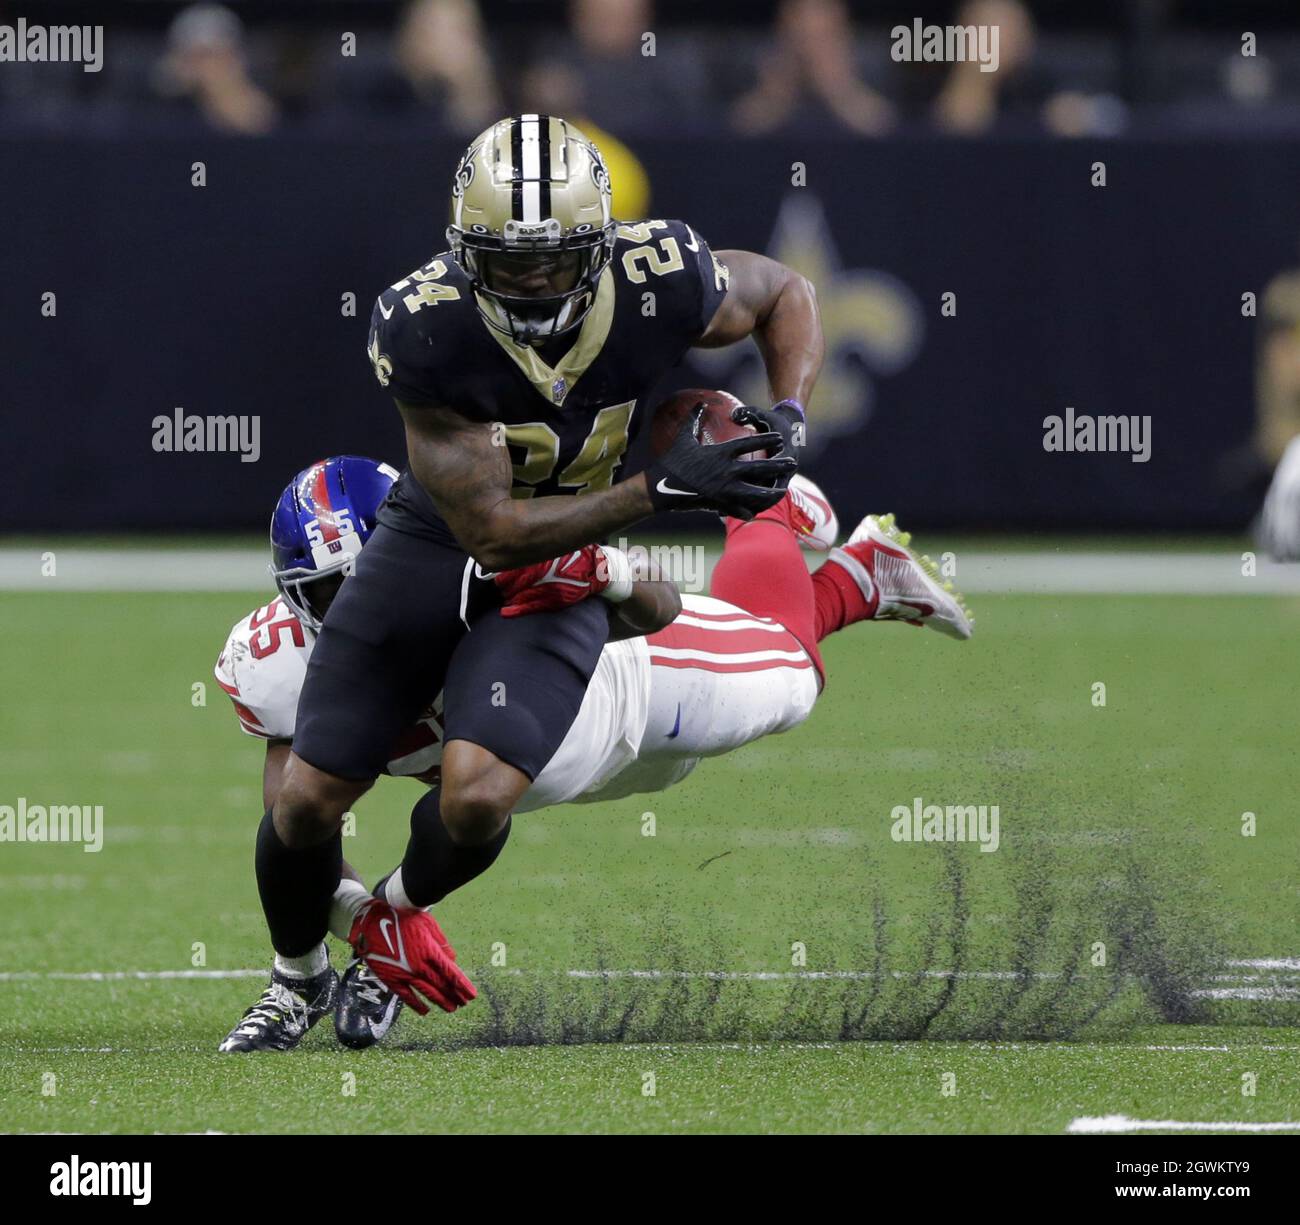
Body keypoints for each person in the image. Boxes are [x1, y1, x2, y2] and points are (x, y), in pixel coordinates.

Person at [251, 113, 823, 1042]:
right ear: (459, 250)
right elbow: (491, 532)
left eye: (553, 260)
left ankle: (390, 921)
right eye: (504, 261)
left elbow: (785, 292)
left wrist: (790, 411)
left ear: (600, 246)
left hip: (567, 559)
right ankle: (293, 980)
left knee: (477, 796)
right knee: (307, 798)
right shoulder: (424, 325)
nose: (528, 280)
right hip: (439, 543)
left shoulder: (660, 274)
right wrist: (660, 486)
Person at [217, 456, 971, 1050]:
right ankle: (298, 985)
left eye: (373, 572)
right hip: (539, 770)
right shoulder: (281, 665)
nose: (364, 603)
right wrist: (363, 916)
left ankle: (784, 523)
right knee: (351, 808)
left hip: (629, 688)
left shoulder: (490, 547)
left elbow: (654, 599)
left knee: (791, 674)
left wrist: (602, 570)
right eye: (331, 592)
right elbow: (297, 821)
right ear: (294, 599)